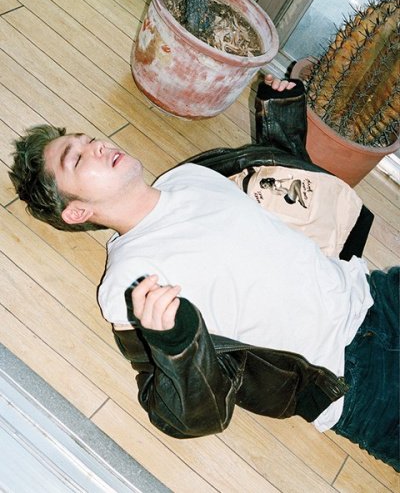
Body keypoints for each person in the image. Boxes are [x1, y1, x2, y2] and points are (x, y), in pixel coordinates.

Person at [9, 75, 399, 471]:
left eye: (88, 139)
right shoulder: (130, 282)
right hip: (355, 376)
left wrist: (283, 124)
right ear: (77, 211)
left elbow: (284, 206)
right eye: (76, 159)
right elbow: (188, 416)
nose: (96, 146)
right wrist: (174, 343)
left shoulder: (190, 175)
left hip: (373, 292)